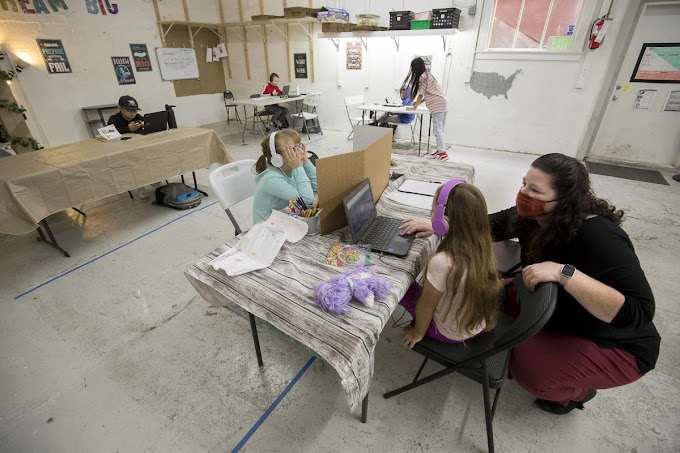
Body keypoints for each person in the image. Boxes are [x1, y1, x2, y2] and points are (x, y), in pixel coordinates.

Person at [399, 153, 661, 415]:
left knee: (529, 373)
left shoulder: (600, 238)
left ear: (565, 201)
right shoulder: (531, 217)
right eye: (524, 183)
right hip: (554, 304)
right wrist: (441, 224)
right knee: (483, 293)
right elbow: (485, 225)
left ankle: (574, 393)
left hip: (611, 339)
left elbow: (639, 311)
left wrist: (565, 273)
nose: (523, 193)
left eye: (534, 190)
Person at [400, 180, 502, 348]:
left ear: (443, 221)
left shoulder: (443, 262)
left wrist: (417, 332)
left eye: (433, 212)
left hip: (448, 333)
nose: (431, 215)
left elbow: (426, 307)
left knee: (400, 285)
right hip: (475, 324)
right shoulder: (482, 244)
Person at [252, 129, 317, 223]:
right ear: (276, 158)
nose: (300, 152)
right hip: (267, 229)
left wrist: (306, 161)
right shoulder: (271, 179)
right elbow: (305, 201)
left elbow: (317, 188)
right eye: (292, 149)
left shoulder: (291, 170)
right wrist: (298, 167)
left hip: (283, 219)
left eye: (299, 146)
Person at [402, 57, 449, 161]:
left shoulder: (422, 77)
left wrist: (415, 106)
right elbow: (429, 94)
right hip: (442, 104)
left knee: (438, 130)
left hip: (438, 106)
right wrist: (418, 103)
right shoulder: (428, 75)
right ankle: (439, 150)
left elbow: (421, 93)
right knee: (438, 130)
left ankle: (443, 153)